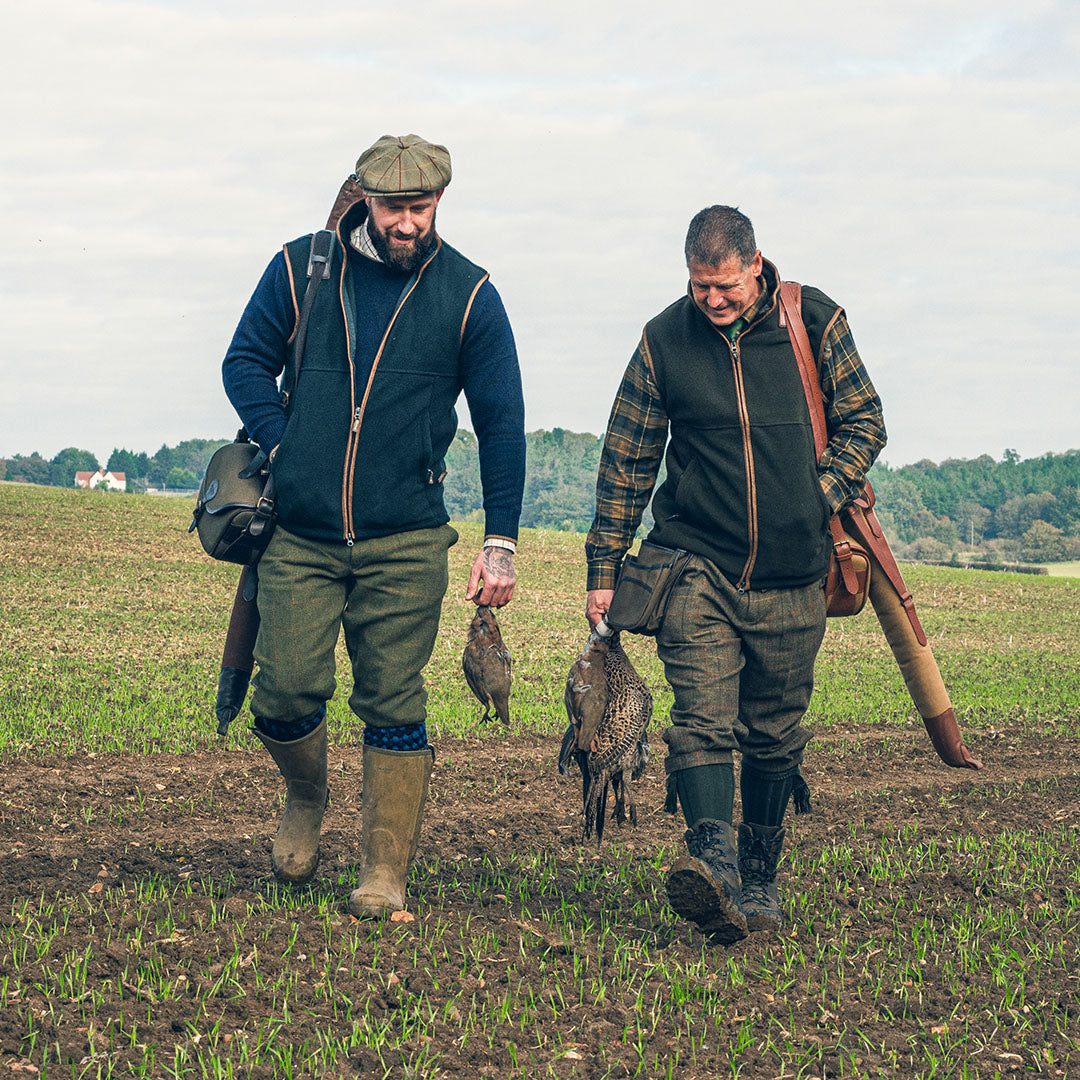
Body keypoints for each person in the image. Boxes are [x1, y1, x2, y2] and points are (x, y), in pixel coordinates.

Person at [222, 134, 525, 917]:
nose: (406, 224)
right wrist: (284, 437)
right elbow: (244, 361)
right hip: (301, 532)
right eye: (393, 208)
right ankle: (306, 793)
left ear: (438, 204)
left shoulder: (470, 294)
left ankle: (383, 871)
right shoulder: (303, 268)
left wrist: (502, 542)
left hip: (408, 537)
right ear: (364, 199)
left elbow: (502, 424)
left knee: (394, 699)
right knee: (285, 688)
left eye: (420, 209)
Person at [585, 205, 885, 942]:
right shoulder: (663, 341)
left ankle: (758, 879)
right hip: (698, 564)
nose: (712, 300)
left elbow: (865, 419)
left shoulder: (815, 320)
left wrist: (814, 496)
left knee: (776, 734)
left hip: (794, 574)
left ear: (756, 266)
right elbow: (628, 457)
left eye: (724, 286)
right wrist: (603, 565)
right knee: (700, 723)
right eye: (698, 287)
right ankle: (710, 863)